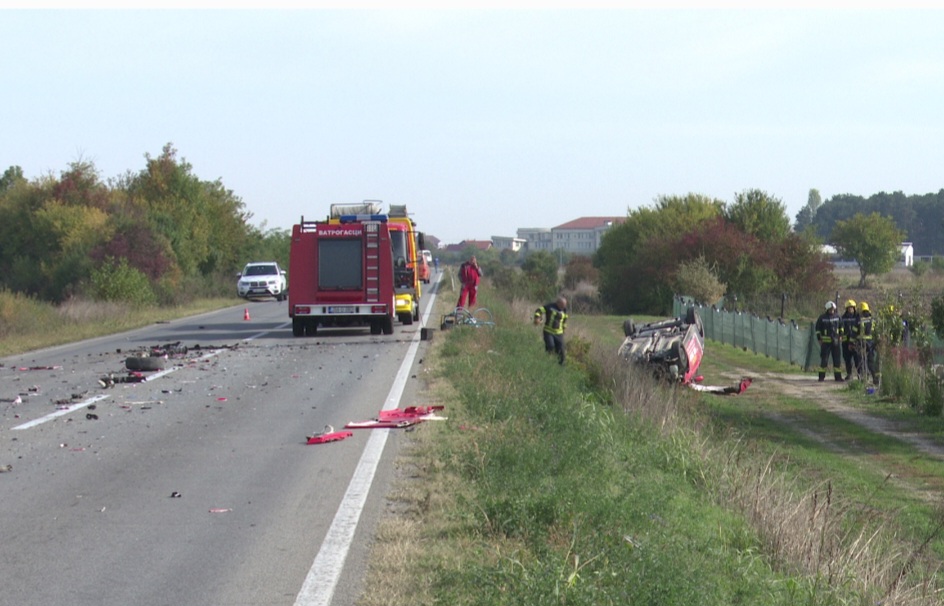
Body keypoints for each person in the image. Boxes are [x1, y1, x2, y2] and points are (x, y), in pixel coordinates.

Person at [534, 296, 568, 365]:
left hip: (559, 334)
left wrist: (564, 329)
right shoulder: (550, 306)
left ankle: (561, 367)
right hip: (548, 332)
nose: (563, 306)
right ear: (558, 303)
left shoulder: (564, 310)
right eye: (562, 305)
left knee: (561, 351)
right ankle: (548, 362)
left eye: (564, 305)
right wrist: (537, 318)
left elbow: (564, 321)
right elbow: (539, 310)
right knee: (551, 346)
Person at [815, 300, 844, 382]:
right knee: (824, 360)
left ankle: (838, 377)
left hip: (836, 342)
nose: (832, 311)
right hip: (826, 343)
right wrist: (819, 339)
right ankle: (821, 377)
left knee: (837, 360)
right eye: (830, 309)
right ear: (827, 309)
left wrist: (841, 335)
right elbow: (817, 329)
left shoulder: (838, 317)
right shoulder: (822, 318)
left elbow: (841, 326)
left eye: (833, 309)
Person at [858, 301, 879, 384]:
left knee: (862, 361)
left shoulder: (860, 320)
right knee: (871, 361)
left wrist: (852, 342)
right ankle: (875, 378)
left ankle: (864, 379)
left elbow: (855, 332)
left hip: (862, 343)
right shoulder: (873, 320)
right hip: (871, 343)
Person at [839, 299, 861, 381]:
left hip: (855, 342)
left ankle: (860, 374)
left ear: (854, 308)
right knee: (847, 359)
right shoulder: (843, 318)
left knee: (857, 359)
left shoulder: (858, 317)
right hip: (846, 342)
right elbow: (840, 328)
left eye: (851, 308)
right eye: (848, 308)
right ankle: (849, 374)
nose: (850, 309)